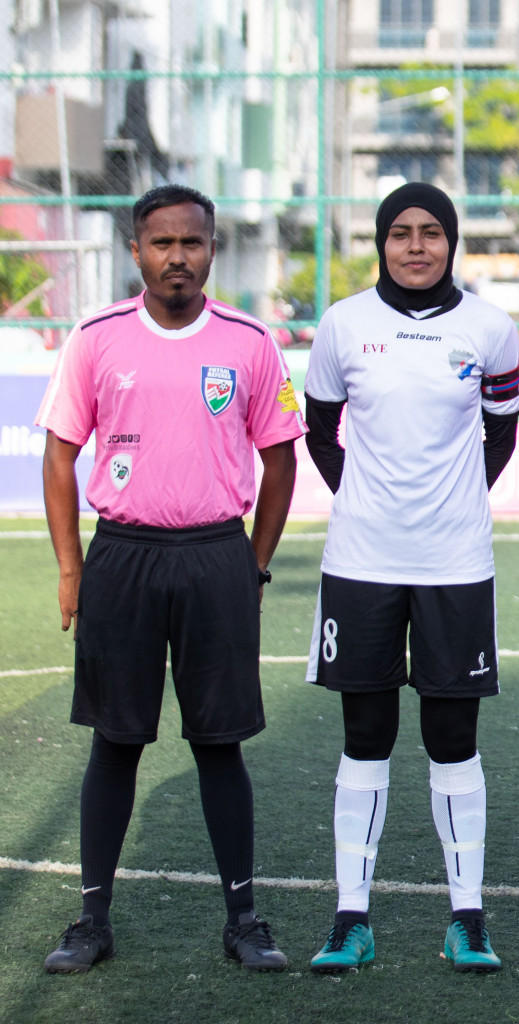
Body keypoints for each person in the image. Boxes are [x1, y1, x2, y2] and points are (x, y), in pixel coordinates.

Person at [36, 184, 304, 973]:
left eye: (192, 242)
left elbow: (281, 457)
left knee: (219, 743)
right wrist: (69, 566)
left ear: (212, 249)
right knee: (115, 740)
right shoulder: (95, 337)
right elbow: (60, 454)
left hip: (216, 554)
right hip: (122, 554)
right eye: (162, 243)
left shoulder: (251, 342)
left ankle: (244, 919)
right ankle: (91, 921)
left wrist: (252, 562)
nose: (177, 257)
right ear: (136, 251)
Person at [301, 183, 519, 974]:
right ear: (381, 243)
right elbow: (320, 430)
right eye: (401, 233)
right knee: (366, 737)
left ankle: (467, 918)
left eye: (432, 233)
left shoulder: (490, 330)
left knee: (452, 738)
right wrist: (367, 498)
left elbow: (502, 430)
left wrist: (452, 502)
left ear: (452, 242)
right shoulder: (344, 324)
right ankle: (349, 920)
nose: (417, 246)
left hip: (455, 564)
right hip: (360, 560)